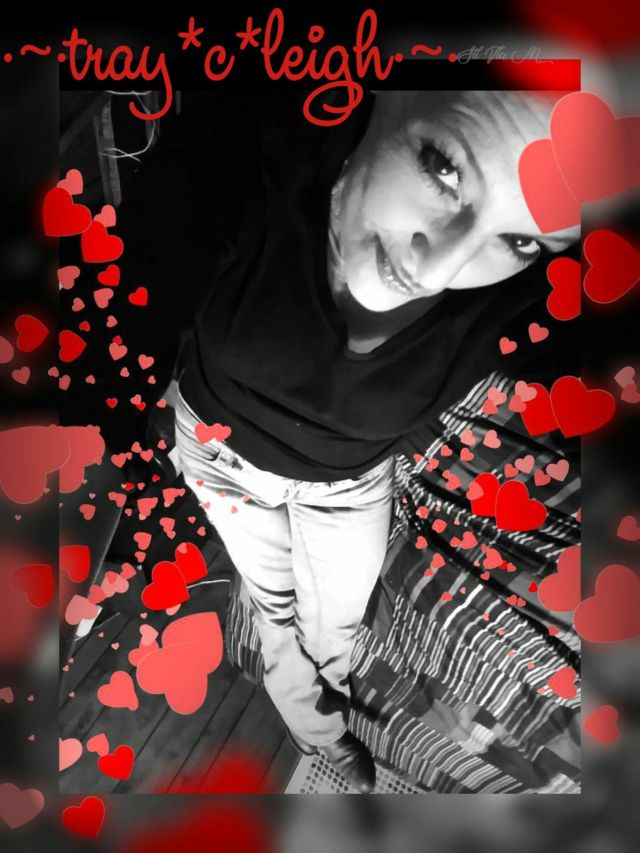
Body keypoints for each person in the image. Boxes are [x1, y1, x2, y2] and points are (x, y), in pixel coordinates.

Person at [111, 87, 580, 793]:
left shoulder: (513, 303)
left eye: (521, 241)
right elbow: (124, 313)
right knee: (273, 612)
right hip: (219, 461)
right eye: (444, 167)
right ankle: (320, 734)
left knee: (332, 630)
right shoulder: (255, 169)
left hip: (349, 486)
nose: (437, 270)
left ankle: (317, 711)